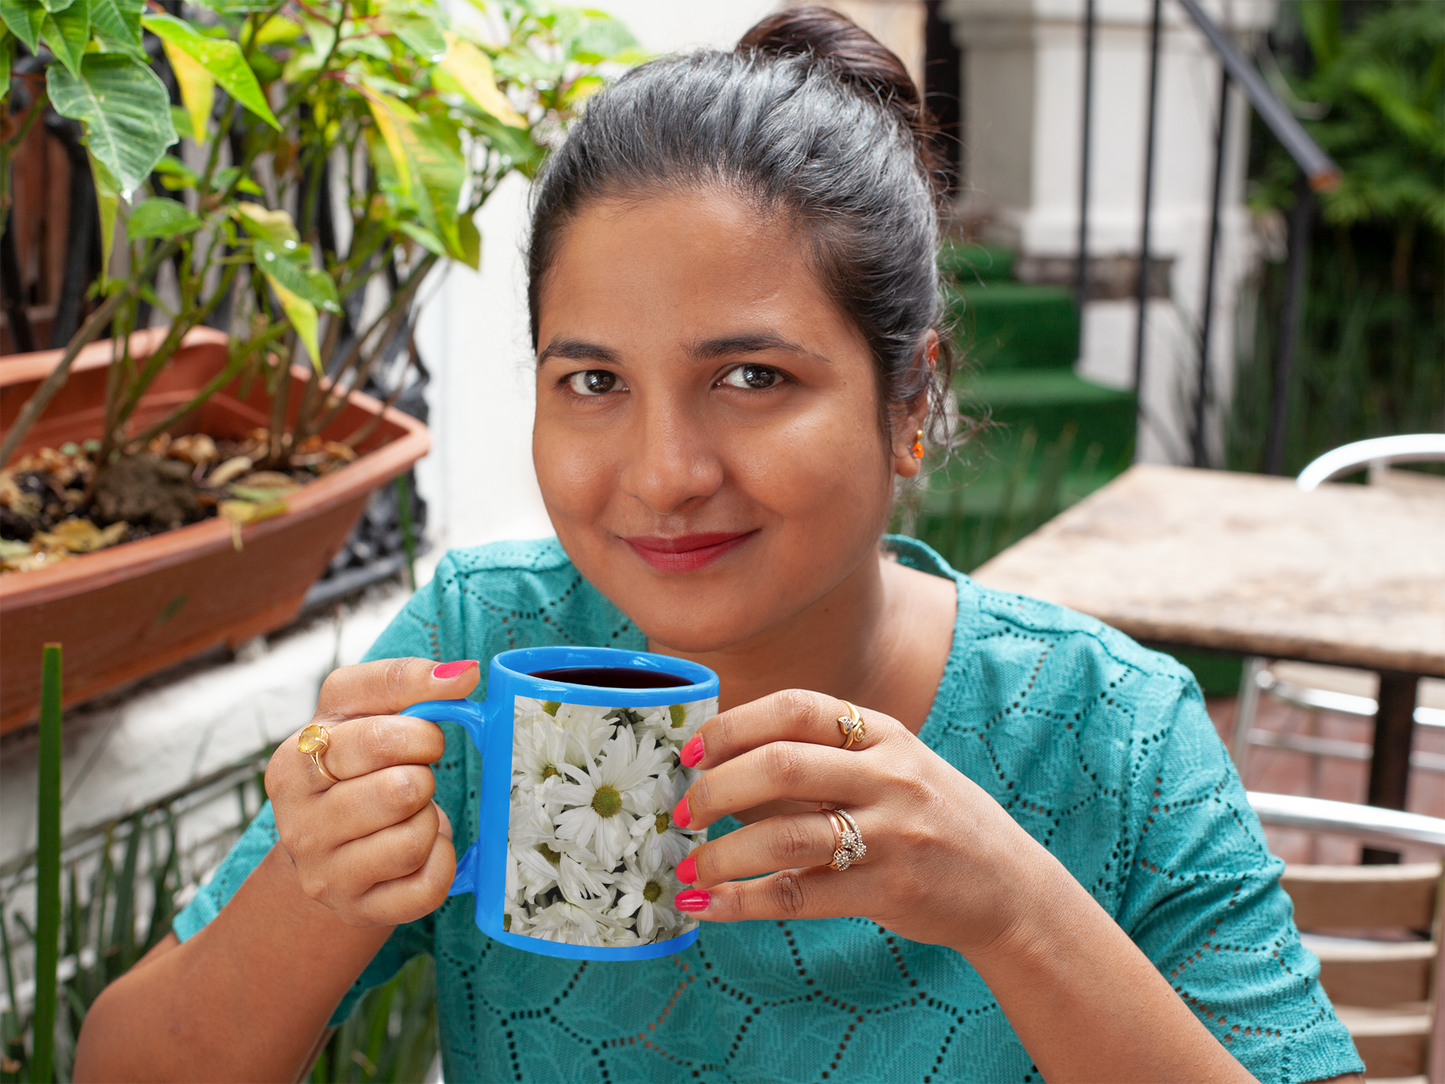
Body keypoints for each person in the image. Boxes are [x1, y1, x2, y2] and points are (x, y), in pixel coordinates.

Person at [75, 8, 1366, 1083]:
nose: (662, 475)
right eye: (591, 382)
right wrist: (321, 886)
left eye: (750, 376)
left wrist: (1010, 909)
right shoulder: (489, 651)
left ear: (909, 404)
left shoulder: (1104, 731)